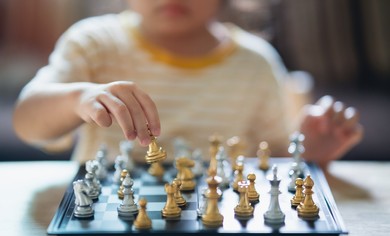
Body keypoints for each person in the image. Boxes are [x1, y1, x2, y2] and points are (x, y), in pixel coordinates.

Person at [12, 0, 363, 168]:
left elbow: (274, 156)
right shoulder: (92, 44)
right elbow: (27, 123)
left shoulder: (255, 63)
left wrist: (313, 150)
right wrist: (79, 98)